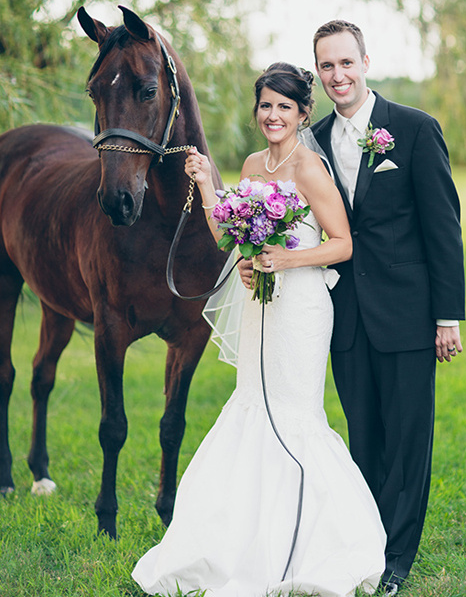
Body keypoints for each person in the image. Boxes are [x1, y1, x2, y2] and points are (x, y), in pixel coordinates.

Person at [132, 62, 386, 597]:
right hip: (259, 306)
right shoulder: (252, 163)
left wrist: (285, 262)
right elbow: (229, 234)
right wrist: (207, 186)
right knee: (252, 408)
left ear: (302, 114)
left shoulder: (310, 168)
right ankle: (241, 543)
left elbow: (342, 243)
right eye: (266, 105)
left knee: (293, 418)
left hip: (302, 309)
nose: (273, 115)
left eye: (284, 107)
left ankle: (314, 544)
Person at [309, 20, 466, 594]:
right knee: (363, 439)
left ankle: (397, 557)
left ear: (366, 61)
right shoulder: (315, 142)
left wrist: (446, 317)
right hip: (345, 320)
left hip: (407, 314)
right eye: (327, 66)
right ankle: (366, 544)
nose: (338, 75)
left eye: (346, 63)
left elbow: (443, 229)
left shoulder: (415, 130)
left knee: (407, 441)